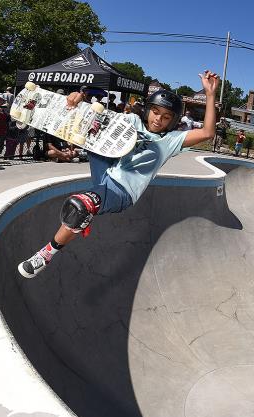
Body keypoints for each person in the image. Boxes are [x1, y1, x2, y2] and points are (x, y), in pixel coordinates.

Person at [18, 69, 220, 278]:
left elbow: (207, 132)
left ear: (173, 121)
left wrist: (210, 94)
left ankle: (45, 254)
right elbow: (104, 120)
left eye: (166, 117)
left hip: (122, 190)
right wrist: (79, 101)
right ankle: (55, 111)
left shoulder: (170, 141)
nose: (159, 119)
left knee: (80, 207)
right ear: (148, 109)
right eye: (156, 112)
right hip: (105, 169)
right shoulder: (132, 120)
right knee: (94, 127)